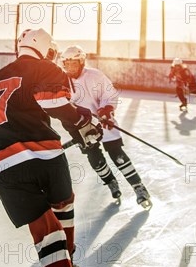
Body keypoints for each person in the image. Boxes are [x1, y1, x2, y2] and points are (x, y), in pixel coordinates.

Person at [0, 28, 101, 267]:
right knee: (64, 203)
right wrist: (82, 119)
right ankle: (68, 260)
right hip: (45, 156)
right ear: (46, 49)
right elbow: (54, 102)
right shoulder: (47, 68)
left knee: (46, 233)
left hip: (3, 164)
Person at [60, 45, 152, 209]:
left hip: (103, 121)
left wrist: (106, 110)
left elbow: (109, 94)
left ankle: (138, 187)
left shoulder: (95, 75)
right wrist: (75, 129)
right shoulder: (63, 81)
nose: (70, 68)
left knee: (118, 156)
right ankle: (111, 183)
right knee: (95, 159)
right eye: (66, 65)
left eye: (73, 64)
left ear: (81, 62)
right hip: (84, 128)